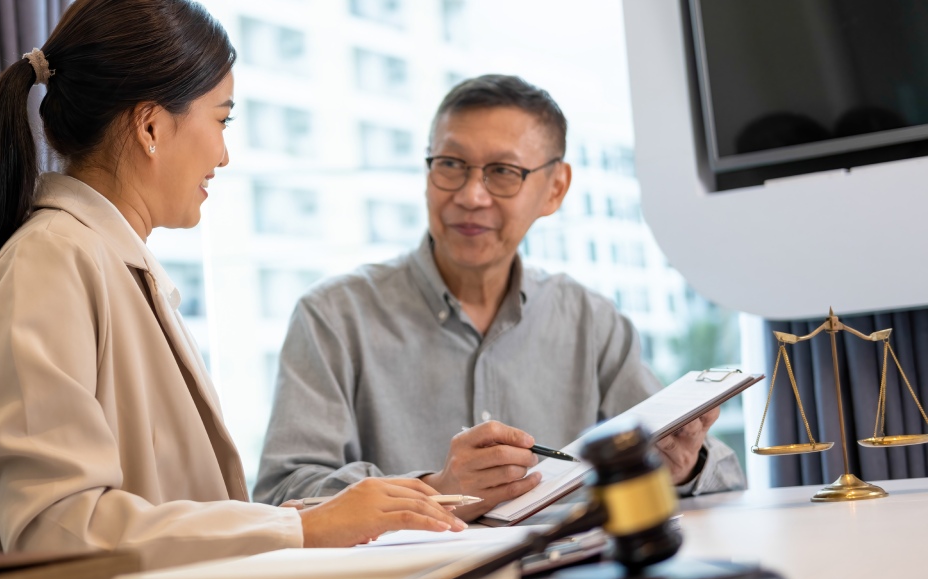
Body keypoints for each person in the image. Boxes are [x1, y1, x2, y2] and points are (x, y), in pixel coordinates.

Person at [0, 0, 465, 572]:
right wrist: (303, 526)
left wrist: (337, 513)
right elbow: (58, 532)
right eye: (221, 119)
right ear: (151, 126)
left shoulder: (110, 265)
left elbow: (184, 512)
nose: (224, 153)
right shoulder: (51, 262)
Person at [253, 75, 745, 521]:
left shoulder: (590, 322)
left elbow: (723, 483)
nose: (471, 195)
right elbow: (282, 496)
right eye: (451, 165)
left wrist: (684, 467)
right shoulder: (334, 316)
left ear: (555, 188)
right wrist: (436, 490)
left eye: (502, 172)